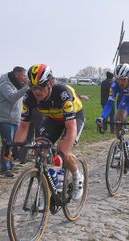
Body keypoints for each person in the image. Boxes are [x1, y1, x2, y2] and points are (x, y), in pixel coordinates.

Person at [14, 64, 86, 200]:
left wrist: (61, 154)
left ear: (50, 83)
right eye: (32, 87)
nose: (36, 91)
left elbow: (71, 128)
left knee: (62, 150)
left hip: (74, 118)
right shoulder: (29, 97)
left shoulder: (62, 93)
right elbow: (23, 126)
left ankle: (77, 176)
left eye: (40, 86)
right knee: (39, 147)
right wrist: (14, 147)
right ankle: (47, 186)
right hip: (53, 119)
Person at [96, 63, 129, 175]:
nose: (120, 82)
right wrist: (102, 117)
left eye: (123, 80)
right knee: (119, 117)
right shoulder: (115, 85)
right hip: (128, 100)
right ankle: (121, 145)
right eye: (118, 79)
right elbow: (109, 104)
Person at [0, 66, 29, 177]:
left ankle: (10, 163)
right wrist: (26, 88)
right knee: (7, 143)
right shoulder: (5, 85)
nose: (25, 78)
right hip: (3, 119)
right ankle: (4, 169)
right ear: (16, 74)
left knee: (13, 143)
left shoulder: (18, 85)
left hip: (14, 119)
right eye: (23, 75)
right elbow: (12, 97)